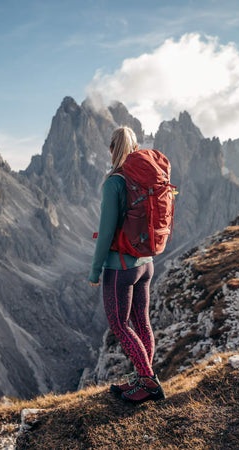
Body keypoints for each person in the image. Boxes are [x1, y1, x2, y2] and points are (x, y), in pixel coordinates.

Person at [89, 126, 165, 404]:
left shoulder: (115, 182)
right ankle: (143, 378)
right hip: (146, 264)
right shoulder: (143, 179)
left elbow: (106, 231)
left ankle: (148, 382)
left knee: (120, 324)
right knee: (141, 321)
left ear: (111, 149)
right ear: (135, 149)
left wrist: (95, 270)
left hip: (120, 267)